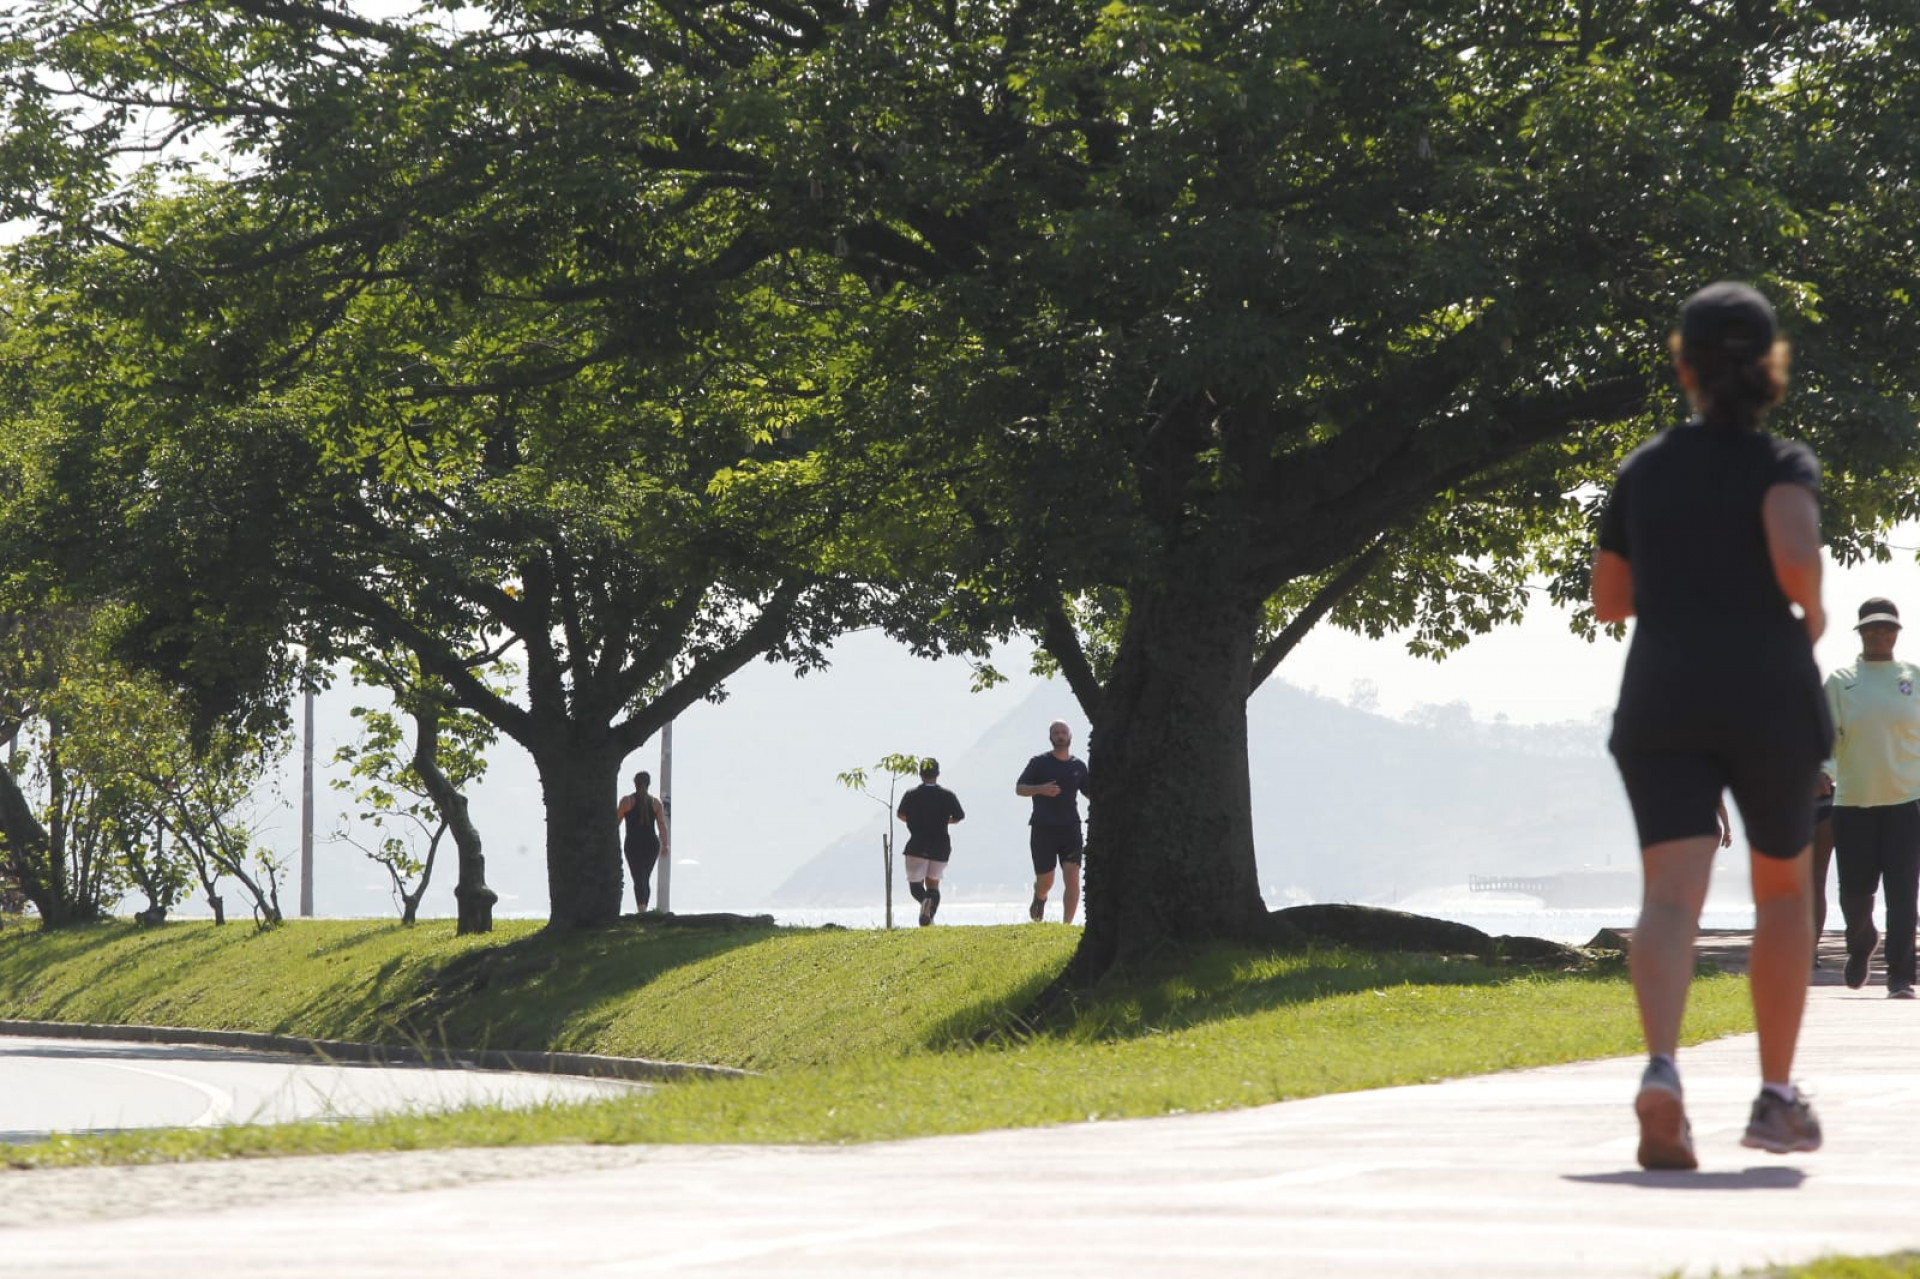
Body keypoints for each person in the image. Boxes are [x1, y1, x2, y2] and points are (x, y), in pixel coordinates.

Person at [1591, 281, 1828, 1171]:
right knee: (1780, 892)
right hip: (1768, 691)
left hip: (1663, 693)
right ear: (1772, 367)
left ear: (1681, 364)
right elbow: (1795, 554)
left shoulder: (1645, 468)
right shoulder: (1782, 462)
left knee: (1668, 898)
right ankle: (1774, 1096)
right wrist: (1806, 613)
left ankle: (1663, 1068)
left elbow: (1610, 600)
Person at [1820, 597, 1920, 998]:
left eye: (1887, 628)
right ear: (1860, 633)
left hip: (1906, 802)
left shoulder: (1912, 677)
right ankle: (1861, 942)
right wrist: (1824, 773)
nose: (1880, 635)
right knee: (1855, 895)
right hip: (1854, 802)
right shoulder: (1841, 681)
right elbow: (1827, 737)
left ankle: (1900, 977)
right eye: (1872, 629)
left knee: (1903, 895)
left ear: (1897, 632)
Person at [1016, 720, 1090, 923]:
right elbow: (1020, 788)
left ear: (1070, 736)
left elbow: (1092, 792)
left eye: (1063, 732)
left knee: (1072, 878)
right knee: (1046, 881)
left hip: (1071, 829)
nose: (1060, 735)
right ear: (1050, 737)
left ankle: (1066, 925)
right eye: (1056, 732)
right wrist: (1040, 789)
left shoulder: (1078, 766)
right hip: (1043, 828)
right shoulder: (1039, 763)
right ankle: (1039, 898)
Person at [895, 759, 965, 926]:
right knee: (933, 885)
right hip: (940, 846)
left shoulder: (911, 794)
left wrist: (915, 820)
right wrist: (943, 821)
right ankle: (928, 918)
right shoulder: (948, 795)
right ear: (938, 774)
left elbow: (900, 814)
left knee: (915, 886)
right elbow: (959, 816)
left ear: (920, 774)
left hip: (916, 845)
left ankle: (925, 902)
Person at [615, 770, 669, 914]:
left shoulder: (627, 801)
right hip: (651, 844)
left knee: (638, 877)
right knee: (645, 877)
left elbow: (616, 822)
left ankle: (642, 910)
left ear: (635, 783)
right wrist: (665, 844)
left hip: (633, 844)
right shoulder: (655, 803)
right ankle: (643, 909)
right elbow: (662, 825)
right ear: (649, 784)